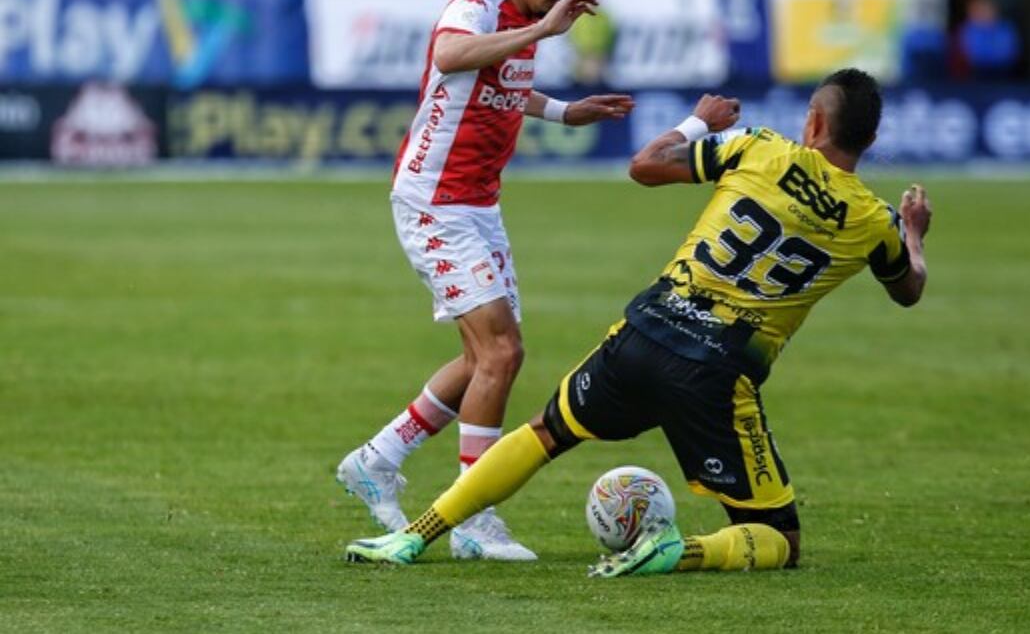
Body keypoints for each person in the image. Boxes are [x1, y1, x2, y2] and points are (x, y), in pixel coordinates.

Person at [344, 68, 932, 575]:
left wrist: (697, 121)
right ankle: (678, 552)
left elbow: (646, 165)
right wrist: (914, 234)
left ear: (814, 124)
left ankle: (415, 533)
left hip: (645, 331)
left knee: (545, 433)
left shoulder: (760, 148)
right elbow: (908, 290)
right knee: (780, 537)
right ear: (872, 138)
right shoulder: (874, 222)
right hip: (716, 374)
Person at [336, 0, 635, 562]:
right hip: (435, 200)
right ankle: (474, 513)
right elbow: (449, 55)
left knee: (490, 358)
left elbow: (506, 83)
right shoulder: (479, 3)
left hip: (477, 204)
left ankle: (376, 460)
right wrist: (546, 28)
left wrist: (564, 111)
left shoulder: (527, 19)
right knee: (499, 352)